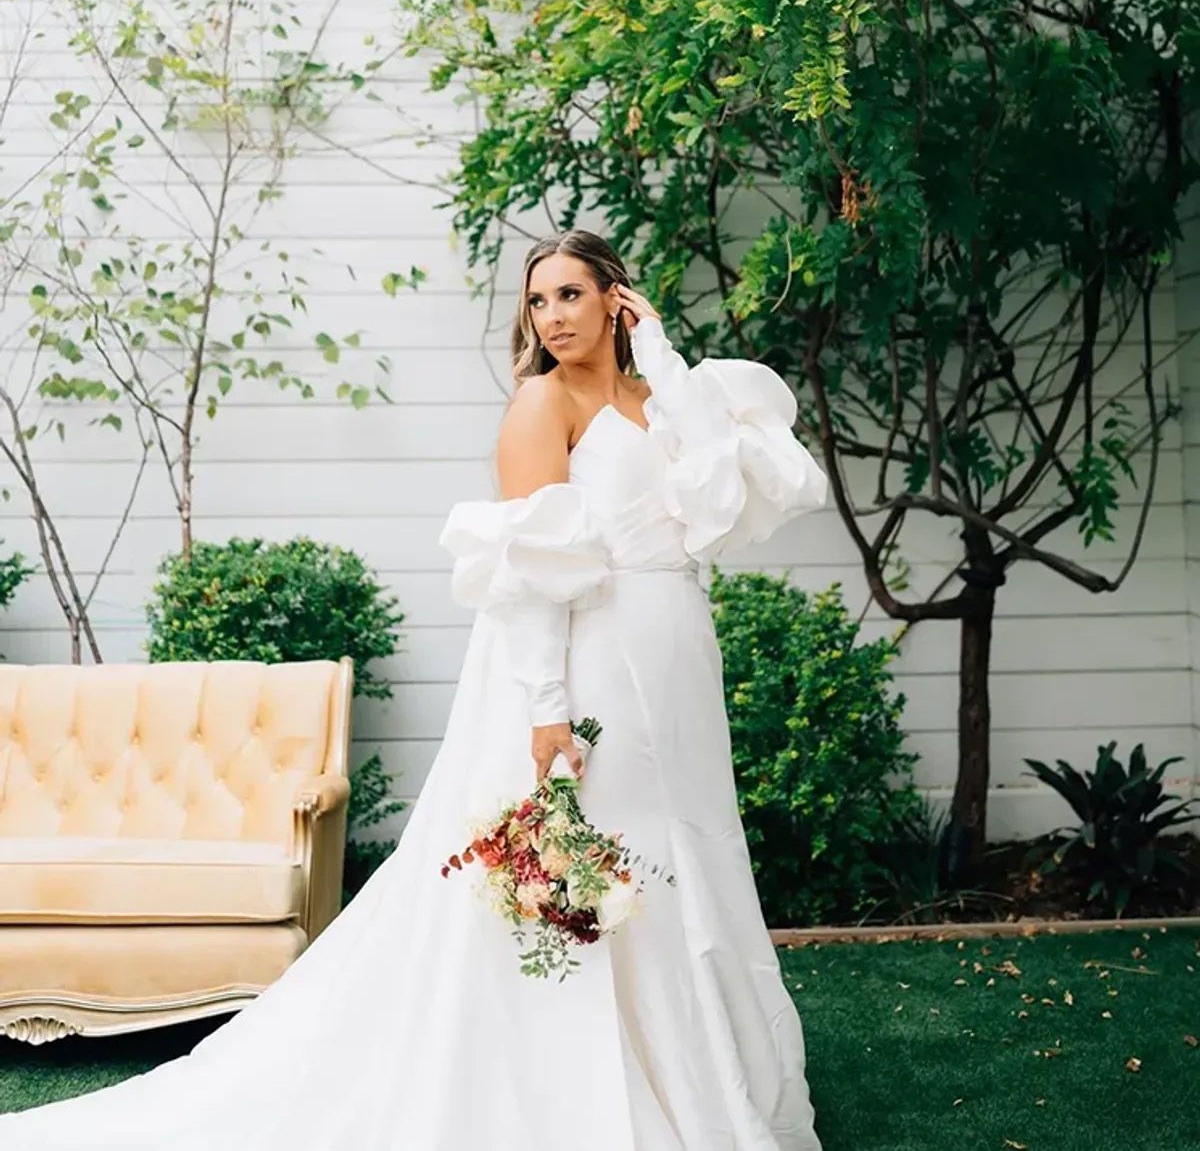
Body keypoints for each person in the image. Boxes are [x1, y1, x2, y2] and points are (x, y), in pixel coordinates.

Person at [4, 228, 828, 1150]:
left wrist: (667, 361)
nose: (551, 317)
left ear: (615, 298)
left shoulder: (663, 398)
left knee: (689, 855)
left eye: (569, 295)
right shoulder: (538, 406)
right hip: (592, 659)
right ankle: (584, 1096)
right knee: (612, 864)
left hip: (676, 654)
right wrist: (548, 705)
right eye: (537, 302)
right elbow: (530, 575)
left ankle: (695, 1080)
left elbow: (720, 510)